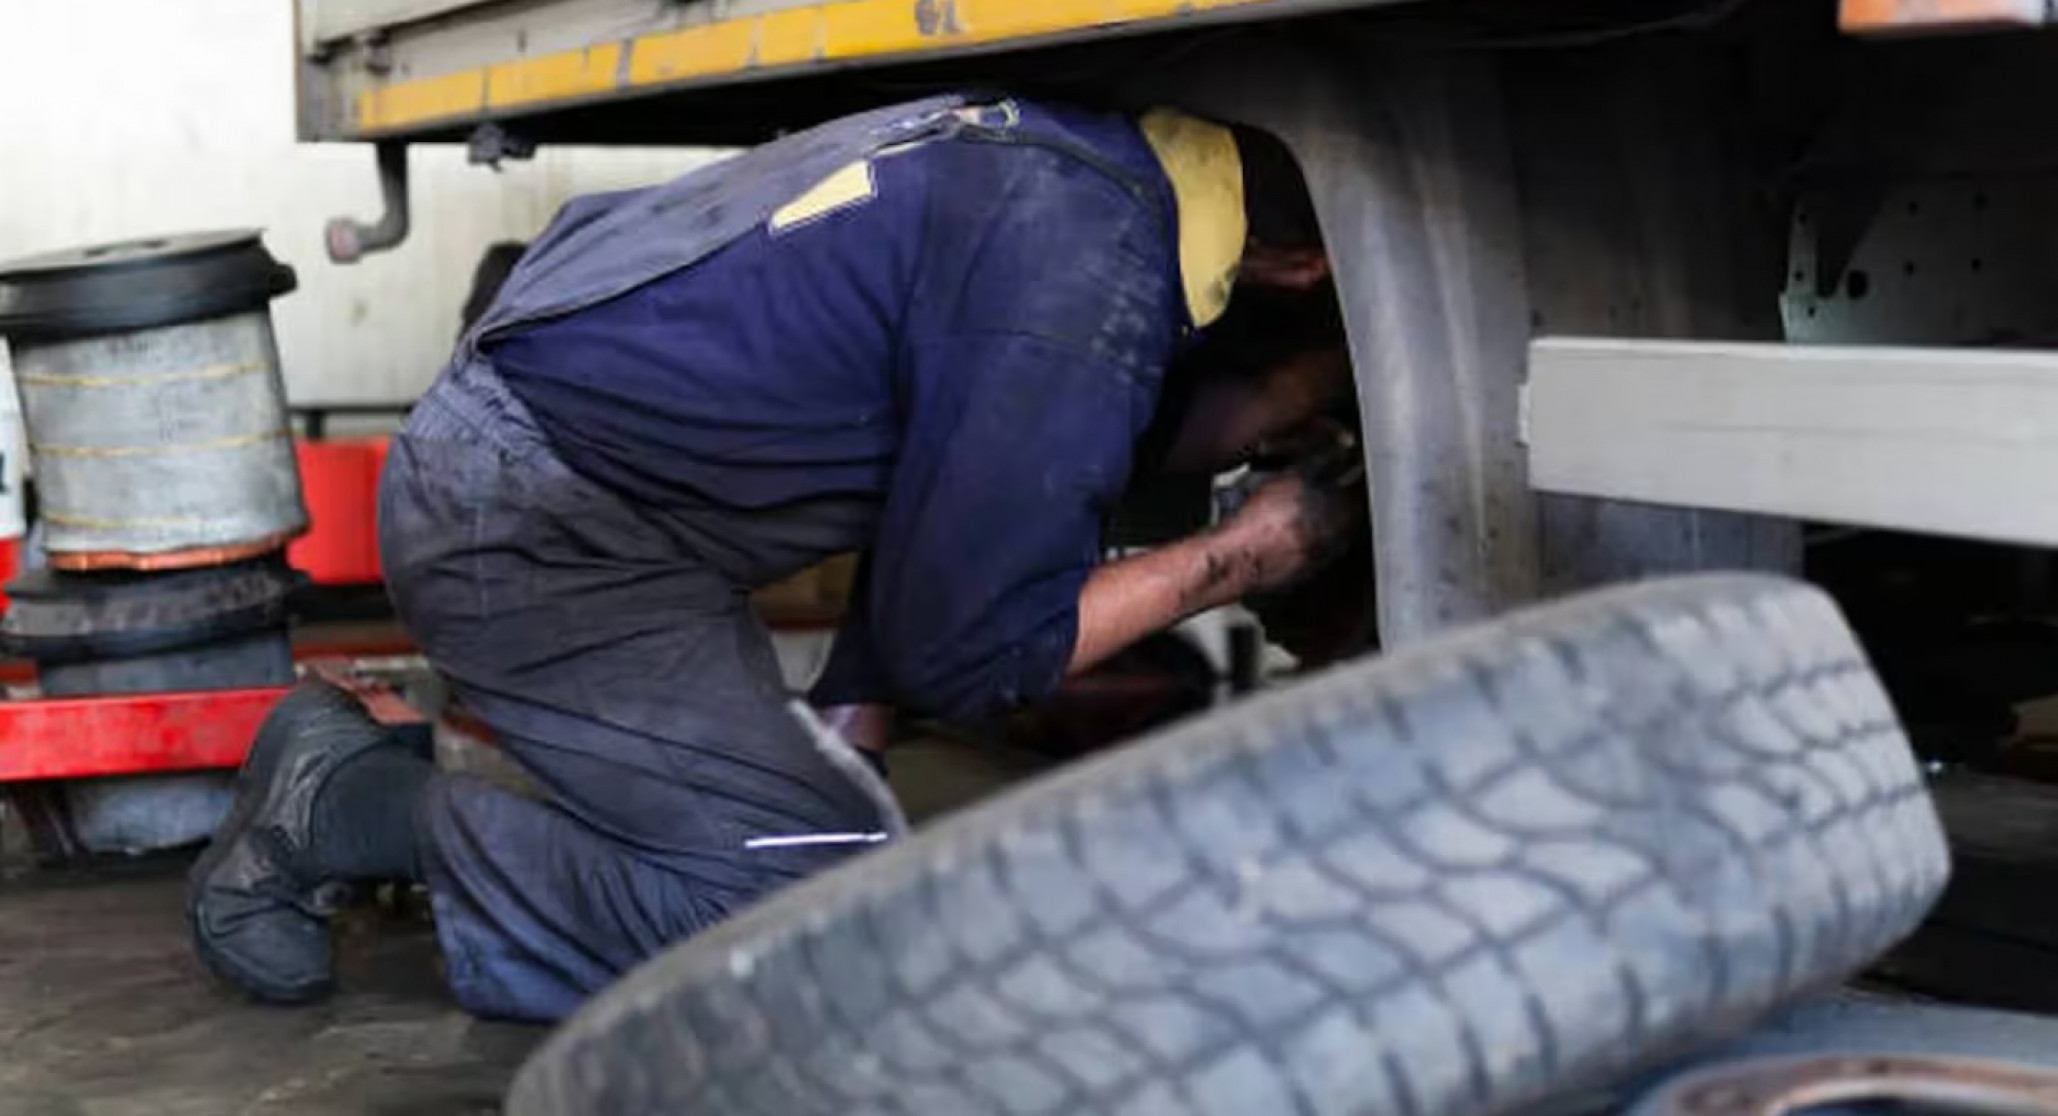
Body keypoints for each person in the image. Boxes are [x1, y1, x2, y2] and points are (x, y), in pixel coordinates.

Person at [187, 95, 1357, 1021]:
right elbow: (982, 648)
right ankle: (341, 803)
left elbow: (998, 464)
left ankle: (609, 805)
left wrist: (1281, 398)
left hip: (566, 491)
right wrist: (1251, 551)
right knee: (796, 908)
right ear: (1306, 269)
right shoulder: (1075, 285)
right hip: (538, 524)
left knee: (822, 836)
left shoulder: (1067, 163)